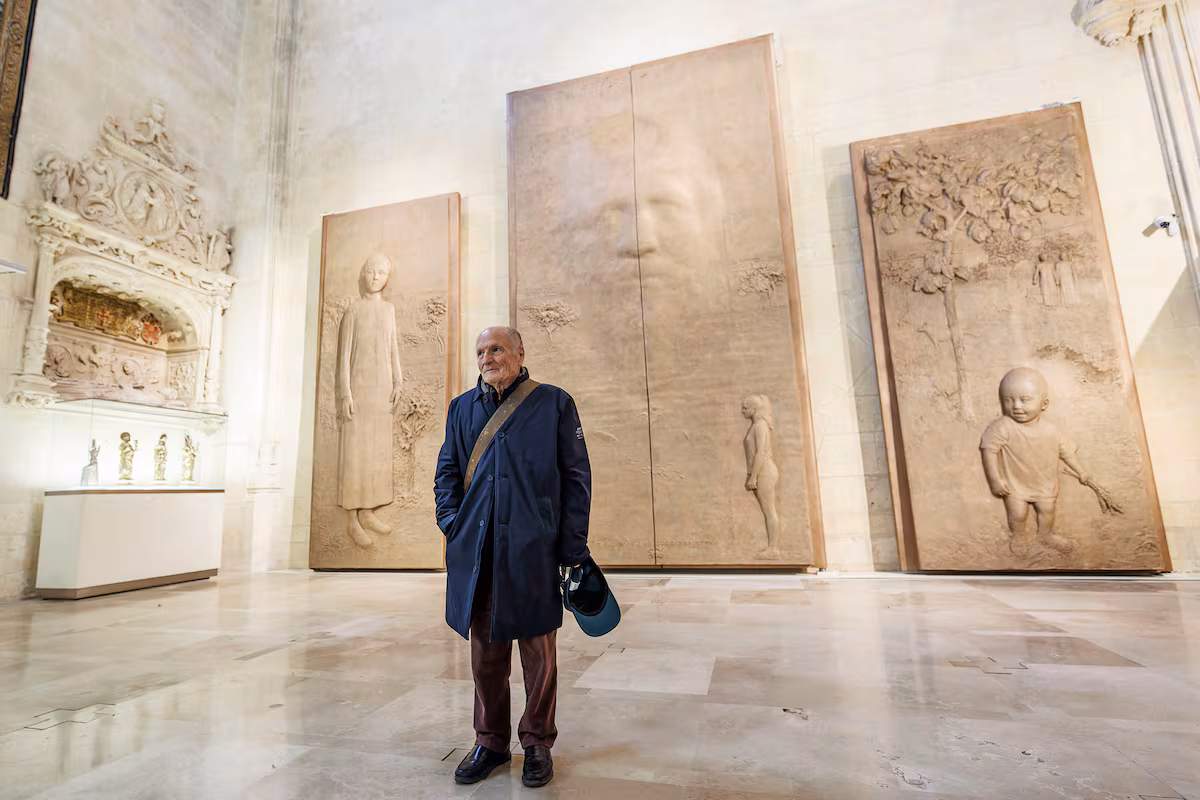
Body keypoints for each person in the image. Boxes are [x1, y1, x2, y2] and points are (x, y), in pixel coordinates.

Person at [434, 326, 591, 789]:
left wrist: (571, 546)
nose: (487, 357)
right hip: (478, 553)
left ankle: (537, 742)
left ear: (521, 353)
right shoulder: (461, 408)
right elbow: (446, 470)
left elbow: (576, 478)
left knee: (538, 655)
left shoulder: (555, 403)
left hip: (534, 551)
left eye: (496, 348)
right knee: (485, 653)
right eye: (480, 351)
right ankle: (491, 742)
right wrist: (452, 523)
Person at [980, 367, 1091, 554]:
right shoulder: (1002, 426)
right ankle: (1018, 536)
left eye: (1025, 400)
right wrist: (995, 481)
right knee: (1017, 514)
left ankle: (1046, 535)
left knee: (1047, 511)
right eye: (1008, 400)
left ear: (1044, 403)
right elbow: (988, 450)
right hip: (1015, 485)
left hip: (1044, 484)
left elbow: (1067, 454)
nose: (1016, 406)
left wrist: (1081, 471)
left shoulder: (1052, 430)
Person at [336, 253, 404, 548]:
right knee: (355, 453)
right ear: (363, 274)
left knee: (376, 451)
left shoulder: (388, 310)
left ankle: (369, 511)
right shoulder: (353, 311)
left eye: (381, 273)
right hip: (359, 391)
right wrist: (344, 393)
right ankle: (352, 518)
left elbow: (393, 348)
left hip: (381, 390)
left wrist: (398, 380)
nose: (375, 277)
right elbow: (342, 358)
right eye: (371, 272)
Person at [742, 394, 781, 559]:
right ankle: (772, 547)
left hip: (764, 472)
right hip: (760, 472)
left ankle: (773, 549)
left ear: (754, 409)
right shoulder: (757, 425)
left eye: (745, 408)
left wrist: (753, 477)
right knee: (767, 510)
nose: (742, 411)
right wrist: (751, 474)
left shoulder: (760, 426)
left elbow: (760, 453)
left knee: (769, 510)